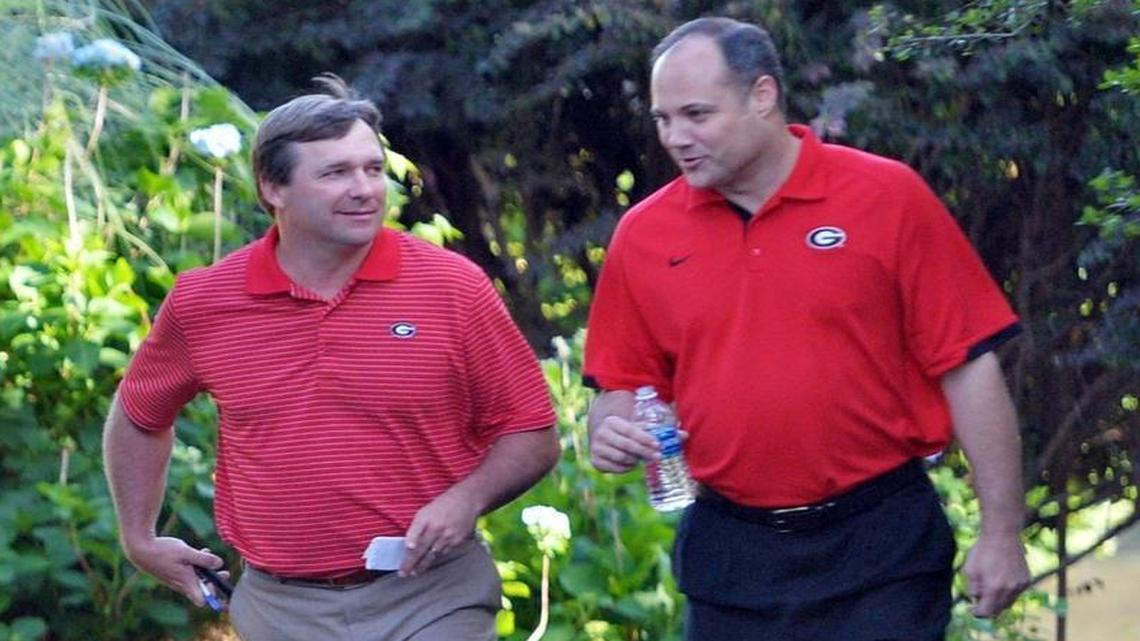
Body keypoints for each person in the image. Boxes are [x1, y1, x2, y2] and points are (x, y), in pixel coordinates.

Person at [583, 17, 1030, 641]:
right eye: (663, 119)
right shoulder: (643, 235)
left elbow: (970, 365)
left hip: (881, 543)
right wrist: (610, 431)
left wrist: (1002, 532)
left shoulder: (885, 196)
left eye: (696, 114)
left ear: (762, 96)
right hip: (731, 552)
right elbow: (620, 386)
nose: (676, 137)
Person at [103, 74, 560, 641]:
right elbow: (139, 415)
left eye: (372, 168)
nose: (366, 188)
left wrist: (466, 500)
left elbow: (532, 433)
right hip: (280, 607)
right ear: (274, 187)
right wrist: (139, 538)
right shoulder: (206, 301)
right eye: (336, 172)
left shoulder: (451, 287)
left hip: (434, 594)